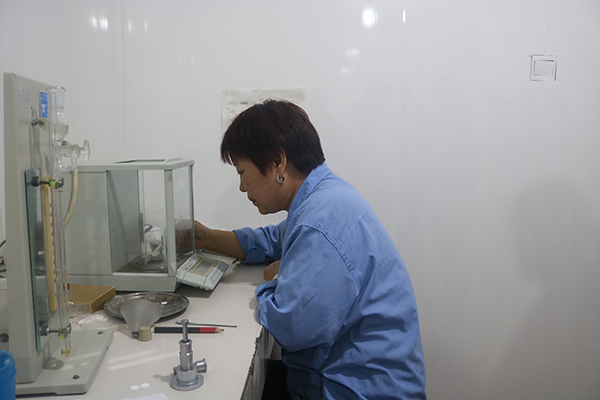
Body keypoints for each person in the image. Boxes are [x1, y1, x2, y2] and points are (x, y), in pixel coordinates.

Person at [194, 100, 426, 399]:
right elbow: (273, 240)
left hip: (354, 390)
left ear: (277, 163)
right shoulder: (323, 197)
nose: (242, 186)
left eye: (241, 172)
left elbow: (292, 327)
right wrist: (205, 238)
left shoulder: (320, 221)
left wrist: (277, 280)